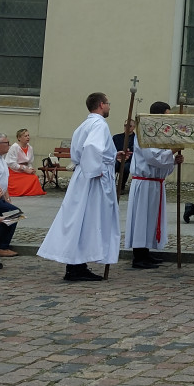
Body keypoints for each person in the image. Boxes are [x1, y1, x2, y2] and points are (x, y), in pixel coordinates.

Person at [37, 93, 122, 282]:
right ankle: (77, 265)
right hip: (92, 180)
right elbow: (92, 147)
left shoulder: (84, 124)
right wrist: (97, 169)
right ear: (101, 105)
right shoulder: (99, 124)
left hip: (82, 177)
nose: (109, 106)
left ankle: (76, 264)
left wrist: (112, 155)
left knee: (80, 220)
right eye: (108, 103)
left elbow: (85, 150)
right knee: (89, 220)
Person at [124, 101, 183, 269]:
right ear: (157, 114)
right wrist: (171, 151)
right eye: (167, 115)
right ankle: (138, 256)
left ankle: (146, 251)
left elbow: (161, 162)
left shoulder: (160, 132)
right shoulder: (144, 131)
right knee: (142, 219)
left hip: (155, 184)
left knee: (151, 219)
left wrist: (174, 161)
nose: (169, 118)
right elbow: (152, 157)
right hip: (144, 184)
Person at [5, 128, 44, 197]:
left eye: (28, 135)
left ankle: (27, 191)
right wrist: (25, 169)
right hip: (14, 171)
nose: (28, 137)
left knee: (34, 178)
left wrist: (30, 169)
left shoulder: (30, 148)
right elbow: (11, 163)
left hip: (25, 170)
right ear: (19, 138)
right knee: (16, 184)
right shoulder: (14, 147)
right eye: (25, 136)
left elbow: (30, 162)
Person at [112, 119, 136, 188]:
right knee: (114, 164)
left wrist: (128, 157)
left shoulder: (136, 139)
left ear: (134, 127)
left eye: (130, 126)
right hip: (117, 159)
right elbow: (112, 150)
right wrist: (117, 156)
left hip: (129, 161)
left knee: (126, 167)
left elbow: (137, 153)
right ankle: (111, 185)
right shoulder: (116, 137)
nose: (127, 127)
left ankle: (121, 186)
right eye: (125, 125)